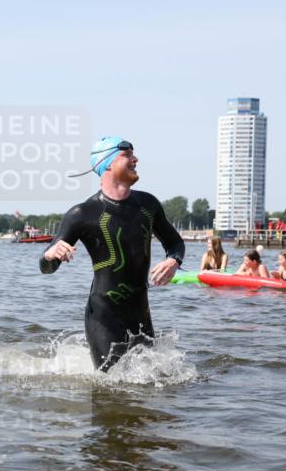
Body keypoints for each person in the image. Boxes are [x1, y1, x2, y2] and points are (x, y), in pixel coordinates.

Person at [40, 136, 185, 371]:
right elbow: (46, 267)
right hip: (104, 318)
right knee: (109, 388)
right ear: (107, 163)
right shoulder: (83, 213)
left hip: (141, 314)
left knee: (151, 387)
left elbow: (175, 242)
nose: (135, 159)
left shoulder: (148, 205)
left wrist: (173, 260)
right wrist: (50, 255)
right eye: (127, 155)